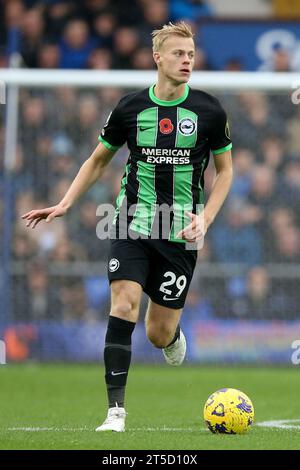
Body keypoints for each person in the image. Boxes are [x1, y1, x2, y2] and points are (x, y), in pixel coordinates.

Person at [22, 21, 233, 432]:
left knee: (156, 334)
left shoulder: (209, 111)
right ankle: (115, 412)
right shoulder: (130, 108)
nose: (187, 60)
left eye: (191, 54)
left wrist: (205, 217)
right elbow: (98, 159)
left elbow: (226, 172)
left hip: (179, 233)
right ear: (158, 58)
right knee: (122, 306)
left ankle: (171, 337)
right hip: (130, 224)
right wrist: (65, 203)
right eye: (178, 54)